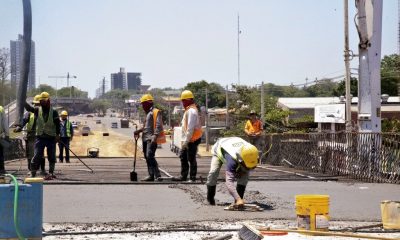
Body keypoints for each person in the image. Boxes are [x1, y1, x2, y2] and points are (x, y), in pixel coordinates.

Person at [206, 137, 258, 206]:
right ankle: (210, 199)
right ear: (241, 160)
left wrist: (245, 169)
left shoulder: (252, 152)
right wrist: (238, 199)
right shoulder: (232, 159)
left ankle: (238, 201)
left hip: (234, 143)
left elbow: (251, 165)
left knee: (245, 174)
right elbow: (229, 182)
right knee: (213, 172)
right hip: (219, 149)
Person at [25, 92, 60, 179]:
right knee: (37, 155)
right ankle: (33, 172)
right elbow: (29, 108)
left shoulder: (54, 112)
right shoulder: (37, 110)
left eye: (43, 100)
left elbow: (57, 124)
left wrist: (57, 135)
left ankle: (51, 172)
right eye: (41, 100)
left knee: (51, 156)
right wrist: (23, 102)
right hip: (40, 137)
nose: (42, 102)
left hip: (51, 137)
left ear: (48, 100)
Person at [134, 94, 165, 181]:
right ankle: (151, 175)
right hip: (145, 138)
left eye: (143, 104)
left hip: (151, 139)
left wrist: (155, 136)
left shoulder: (156, 112)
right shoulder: (148, 114)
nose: (142, 106)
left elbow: (158, 125)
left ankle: (158, 175)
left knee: (149, 155)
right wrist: (138, 131)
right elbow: (146, 127)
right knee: (147, 157)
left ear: (148, 103)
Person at [174, 90, 202, 182]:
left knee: (191, 158)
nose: (182, 103)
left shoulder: (192, 111)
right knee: (183, 157)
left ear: (188, 100)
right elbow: (185, 126)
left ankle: (192, 177)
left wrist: (186, 141)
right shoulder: (189, 110)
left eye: (183, 101)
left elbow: (190, 128)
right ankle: (183, 176)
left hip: (192, 140)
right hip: (189, 139)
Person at [14, 95, 46, 174]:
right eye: (36, 104)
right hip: (30, 136)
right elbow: (24, 121)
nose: (37, 106)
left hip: (40, 136)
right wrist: (19, 127)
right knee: (30, 154)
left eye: (38, 104)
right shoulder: (29, 114)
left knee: (40, 153)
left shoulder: (45, 112)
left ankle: (42, 170)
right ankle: (31, 169)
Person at [0, 105, 10, 175]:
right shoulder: (1, 109)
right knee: (0, 154)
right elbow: (5, 123)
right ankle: (1, 170)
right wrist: (7, 135)